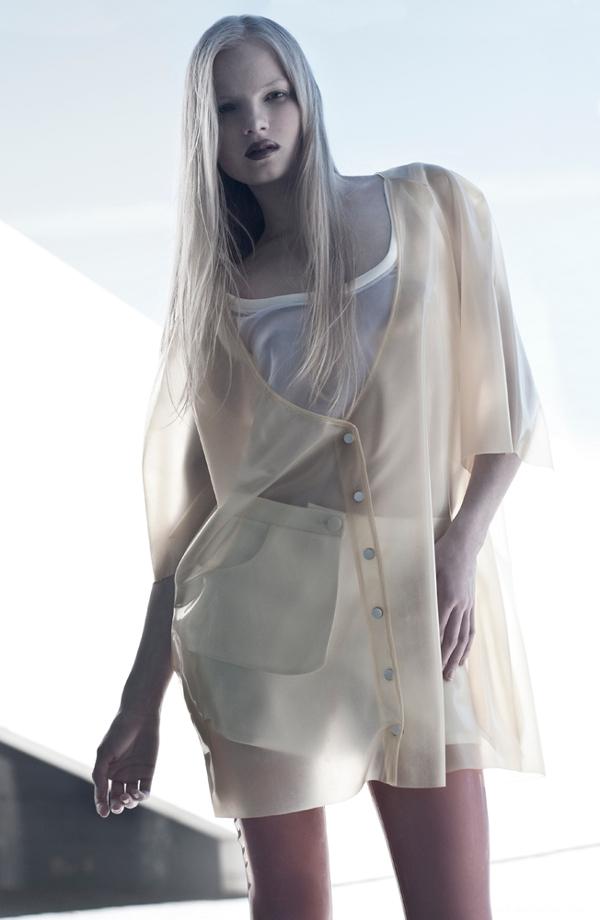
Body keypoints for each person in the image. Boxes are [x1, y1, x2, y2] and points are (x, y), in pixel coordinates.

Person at [92, 14, 553, 920]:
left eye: (274, 96)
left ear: (306, 99)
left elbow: (509, 405)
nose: (256, 124)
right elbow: (194, 524)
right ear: (204, 134)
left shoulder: (431, 208)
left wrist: (462, 544)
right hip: (260, 640)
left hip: (422, 614)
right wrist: (140, 702)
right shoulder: (219, 302)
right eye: (227, 110)